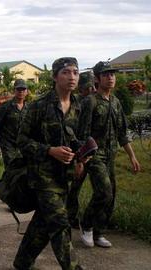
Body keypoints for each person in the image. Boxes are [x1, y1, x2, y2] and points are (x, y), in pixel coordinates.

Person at [14, 57, 84, 270]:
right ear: (55, 77)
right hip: (42, 176)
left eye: (75, 72)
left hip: (66, 175)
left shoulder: (78, 106)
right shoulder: (39, 106)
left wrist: (82, 157)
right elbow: (22, 141)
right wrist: (49, 150)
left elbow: (77, 138)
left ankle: (22, 262)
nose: (71, 77)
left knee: (43, 224)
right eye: (66, 72)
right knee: (59, 224)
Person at [78, 61, 140, 248]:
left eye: (112, 74)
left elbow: (122, 132)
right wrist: (81, 159)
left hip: (111, 155)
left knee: (111, 194)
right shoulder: (90, 101)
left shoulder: (115, 102)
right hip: (94, 155)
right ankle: (86, 225)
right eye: (106, 75)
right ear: (97, 79)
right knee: (103, 191)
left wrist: (132, 156)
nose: (110, 77)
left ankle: (99, 232)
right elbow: (82, 133)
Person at [67, 71, 96, 227]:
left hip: (93, 151)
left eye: (92, 87)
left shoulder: (94, 102)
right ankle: (71, 217)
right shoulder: (75, 104)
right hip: (77, 150)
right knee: (75, 186)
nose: (91, 91)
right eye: (87, 88)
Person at [0, 79, 28, 168]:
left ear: (27, 92)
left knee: (23, 170)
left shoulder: (29, 108)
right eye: (18, 89)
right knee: (10, 169)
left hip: (23, 144)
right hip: (8, 144)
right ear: (14, 91)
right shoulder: (6, 107)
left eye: (23, 89)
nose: (21, 92)